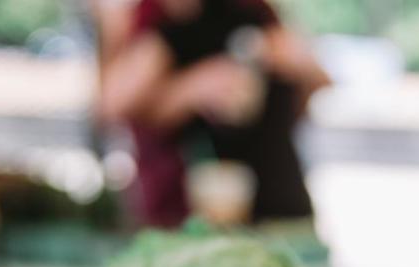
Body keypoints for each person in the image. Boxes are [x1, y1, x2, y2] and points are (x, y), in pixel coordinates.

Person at [96, 0, 330, 227]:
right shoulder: (155, 23)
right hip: (184, 217)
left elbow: (315, 83)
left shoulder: (254, 13)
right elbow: (112, 104)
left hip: (278, 210)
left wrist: (295, 64)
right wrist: (191, 89)